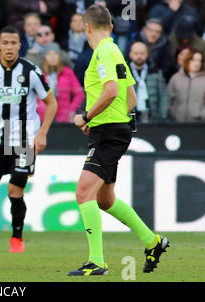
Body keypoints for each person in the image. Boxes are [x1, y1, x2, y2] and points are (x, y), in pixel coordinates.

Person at [70, 4, 169, 276]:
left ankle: (97, 261)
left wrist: (87, 116)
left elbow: (112, 91)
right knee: (105, 199)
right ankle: (153, 241)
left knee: (83, 192)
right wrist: (104, 120)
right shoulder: (115, 51)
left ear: (86, 26)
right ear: (111, 27)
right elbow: (131, 99)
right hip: (112, 129)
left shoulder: (102, 52)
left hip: (109, 133)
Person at [0, 26, 57, 252]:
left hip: (26, 142)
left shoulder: (31, 71)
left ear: (19, 45)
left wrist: (43, 133)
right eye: (4, 43)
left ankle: (17, 238)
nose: (8, 47)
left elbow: (51, 102)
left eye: (13, 43)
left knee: (15, 190)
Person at [39, 45, 84, 123]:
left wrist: (71, 110)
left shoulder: (68, 72)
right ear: (44, 56)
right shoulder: (38, 74)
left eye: (55, 54)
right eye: (49, 54)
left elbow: (79, 94)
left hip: (63, 117)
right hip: (43, 117)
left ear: (59, 56)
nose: (52, 57)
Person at [128, 42, 170, 122]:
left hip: (152, 118)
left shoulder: (156, 72)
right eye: (136, 53)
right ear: (130, 55)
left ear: (147, 54)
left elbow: (163, 95)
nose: (139, 56)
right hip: (130, 118)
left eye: (142, 53)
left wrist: (162, 116)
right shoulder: (124, 73)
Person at [167, 50, 205, 122]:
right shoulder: (176, 78)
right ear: (187, 61)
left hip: (199, 124)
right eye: (194, 60)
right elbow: (168, 98)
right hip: (177, 122)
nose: (197, 63)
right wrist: (172, 113)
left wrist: (202, 114)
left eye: (200, 61)